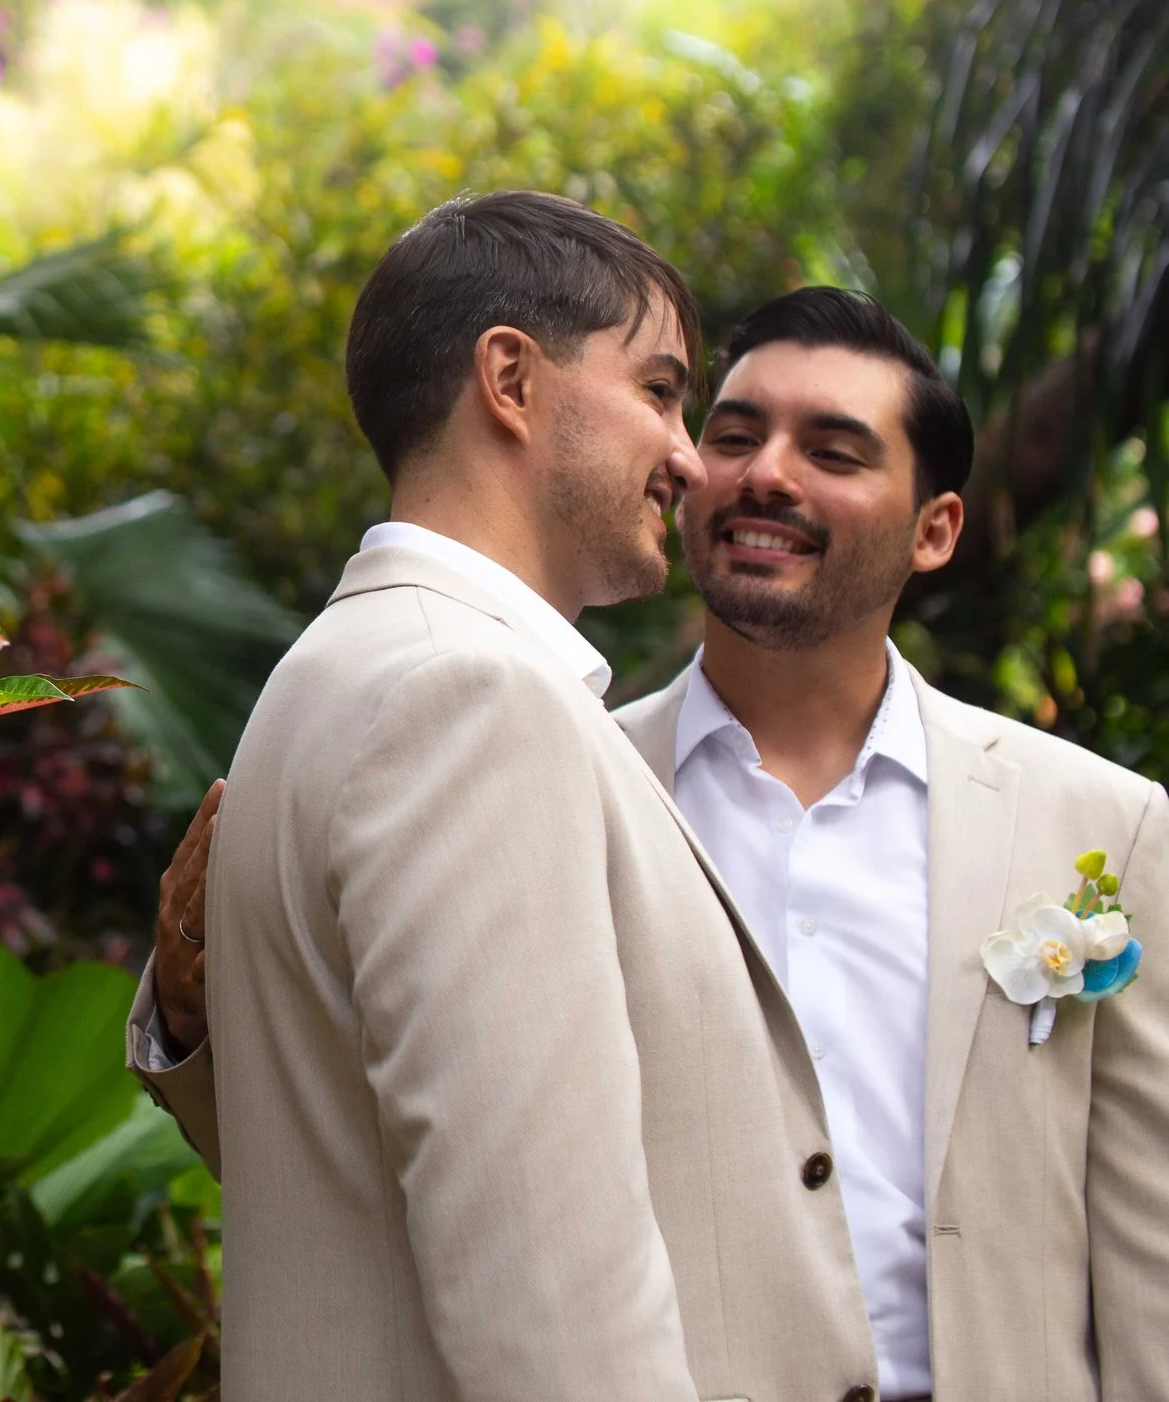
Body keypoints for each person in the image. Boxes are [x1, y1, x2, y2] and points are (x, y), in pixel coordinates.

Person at [137, 286, 1169, 1402]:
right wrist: (196, 1018)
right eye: (730, 432)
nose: (762, 471)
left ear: (935, 529)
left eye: (831, 449)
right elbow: (367, 1162)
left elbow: (1147, 1241)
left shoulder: (1098, 822)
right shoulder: (534, 777)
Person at [166, 193, 877, 1401]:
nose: (689, 457)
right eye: (659, 389)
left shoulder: (335, 670)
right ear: (509, 377)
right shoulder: (472, 697)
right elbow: (550, 1301)